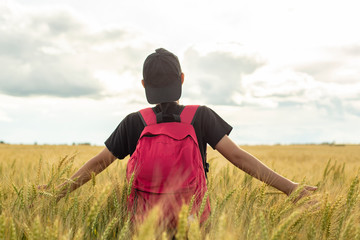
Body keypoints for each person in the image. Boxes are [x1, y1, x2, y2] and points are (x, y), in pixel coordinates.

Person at [52, 48, 317, 230]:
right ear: (181, 79)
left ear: (144, 85)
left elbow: (99, 163)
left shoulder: (136, 122)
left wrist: (56, 193)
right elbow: (238, 157)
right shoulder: (200, 117)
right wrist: (290, 187)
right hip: (192, 221)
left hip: (145, 224)